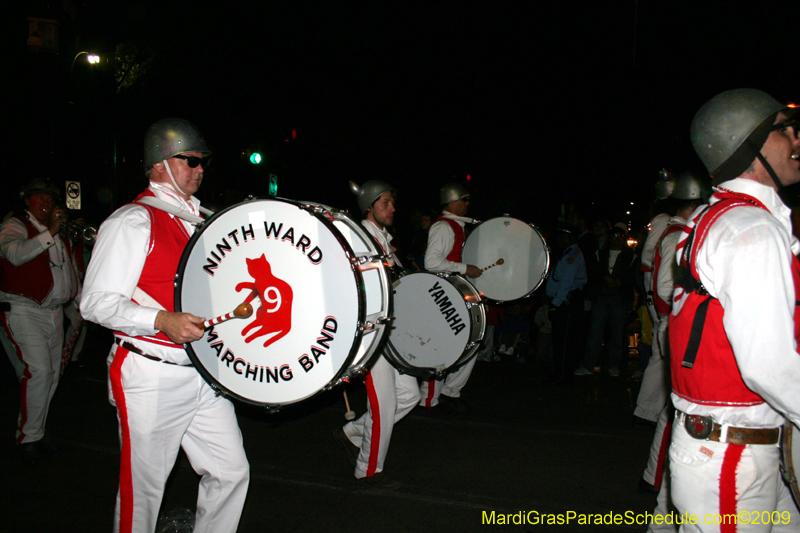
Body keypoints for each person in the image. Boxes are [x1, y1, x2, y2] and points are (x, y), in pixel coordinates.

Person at [80, 118, 249, 533]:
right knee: (145, 491)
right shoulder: (132, 221)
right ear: (159, 163)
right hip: (150, 371)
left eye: (202, 161)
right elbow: (95, 303)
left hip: (201, 371)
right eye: (190, 160)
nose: (200, 168)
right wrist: (159, 319)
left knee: (231, 472)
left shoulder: (200, 222)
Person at [669, 89, 800, 531]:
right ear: (751, 145)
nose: (797, 141)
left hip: (737, 449)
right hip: (733, 458)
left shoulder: (720, 217)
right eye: (786, 130)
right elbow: (770, 365)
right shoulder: (752, 231)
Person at [333, 180, 421, 488]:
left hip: (392, 332)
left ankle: (354, 432)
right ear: (369, 207)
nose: (393, 209)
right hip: (371, 332)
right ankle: (368, 471)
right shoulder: (358, 237)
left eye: (393, 203)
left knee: (410, 395)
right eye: (385, 203)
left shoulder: (383, 238)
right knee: (383, 406)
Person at [637, 172, 707, 532]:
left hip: (672, 322)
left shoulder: (673, 230)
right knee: (676, 409)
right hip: (674, 324)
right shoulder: (676, 232)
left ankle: (655, 479)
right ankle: (655, 480)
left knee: (672, 408)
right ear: (692, 204)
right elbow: (665, 285)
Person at [0, 178, 81, 465]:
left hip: (54, 312)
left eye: (50, 200)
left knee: (52, 374)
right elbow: (15, 254)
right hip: (24, 310)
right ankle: (28, 438)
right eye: (39, 199)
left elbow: (69, 268)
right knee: (39, 373)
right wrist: (52, 232)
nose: (46, 204)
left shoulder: (58, 231)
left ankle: (35, 432)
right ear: (27, 202)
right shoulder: (15, 226)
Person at [418, 182, 481, 414]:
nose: (467, 204)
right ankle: (428, 400)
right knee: (441, 347)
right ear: (453, 201)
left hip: (456, 294)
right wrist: (465, 268)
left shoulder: (457, 226)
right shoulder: (444, 227)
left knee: (472, 343)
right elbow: (431, 262)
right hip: (443, 297)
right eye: (464, 200)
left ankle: (450, 391)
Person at [633, 170, 675, 426]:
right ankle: (647, 411)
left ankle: (649, 411)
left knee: (662, 354)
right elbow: (648, 256)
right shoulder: (664, 220)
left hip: (660, 291)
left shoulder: (666, 220)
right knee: (662, 353)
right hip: (661, 294)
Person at [575, 222, 636, 377]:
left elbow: (633, 276)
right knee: (595, 333)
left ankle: (613, 365)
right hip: (601, 299)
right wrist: (605, 278)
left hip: (619, 300)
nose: (616, 239)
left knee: (616, 334)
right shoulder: (599, 254)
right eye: (613, 236)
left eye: (619, 236)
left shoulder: (632, 256)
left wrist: (620, 282)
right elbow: (593, 273)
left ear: (624, 238)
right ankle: (588, 365)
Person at [544, 225, 587, 383]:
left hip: (567, 302)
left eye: (564, 236)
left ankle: (562, 374)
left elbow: (565, 284)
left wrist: (555, 304)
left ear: (571, 238)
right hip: (565, 301)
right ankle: (561, 372)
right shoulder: (568, 253)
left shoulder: (572, 257)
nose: (560, 240)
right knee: (561, 338)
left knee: (563, 340)